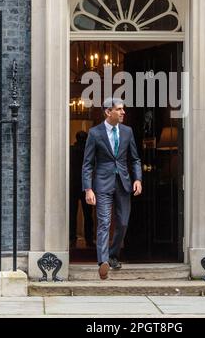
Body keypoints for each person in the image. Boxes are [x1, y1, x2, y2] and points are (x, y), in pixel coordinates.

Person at [82, 97, 142, 280]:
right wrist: (88, 189)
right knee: (104, 222)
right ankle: (103, 262)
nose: (123, 112)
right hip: (102, 183)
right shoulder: (94, 133)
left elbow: (135, 159)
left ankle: (113, 255)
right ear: (108, 112)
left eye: (123, 109)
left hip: (123, 183)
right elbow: (87, 164)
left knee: (123, 222)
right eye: (120, 109)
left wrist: (138, 179)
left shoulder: (127, 132)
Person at [70, 130, 94, 248]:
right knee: (88, 214)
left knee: (73, 214)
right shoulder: (88, 151)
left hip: (73, 185)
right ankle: (89, 239)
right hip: (85, 185)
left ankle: (72, 239)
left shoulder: (70, 150)